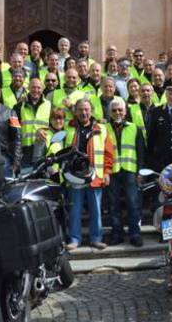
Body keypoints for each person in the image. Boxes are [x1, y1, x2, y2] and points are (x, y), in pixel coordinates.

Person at [64, 98, 114, 250]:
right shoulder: (69, 127)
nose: (83, 112)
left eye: (86, 109)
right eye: (80, 109)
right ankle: (74, 239)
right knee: (75, 210)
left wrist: (107, 172)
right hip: (75, 175)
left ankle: (96, 238)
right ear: (76, 111)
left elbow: (108, 153)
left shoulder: (102, 128)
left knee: (96, 210)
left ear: (91, 111)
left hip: (95, 175)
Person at [106, 99, 146, 247]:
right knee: (113, 205)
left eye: (120, 110)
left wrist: (140, 172)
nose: (117, 113)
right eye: (114, 110)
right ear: (110, 112)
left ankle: (135, 233)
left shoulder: (135, 128)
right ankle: (117, 234)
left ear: (125, 111)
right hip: (112, 171)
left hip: (131, 170)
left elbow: (141, 152)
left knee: (133, 203)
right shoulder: (104, 129)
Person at [13, 78, 51, 168]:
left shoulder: (49, 104)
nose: (36, 90)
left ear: (42, 89)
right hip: (25, 150)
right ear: (28, 88)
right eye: (33, 87)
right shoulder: (19, 106)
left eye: (38, 88)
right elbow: (14, 129)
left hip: (42, 148)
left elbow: (52, 125)